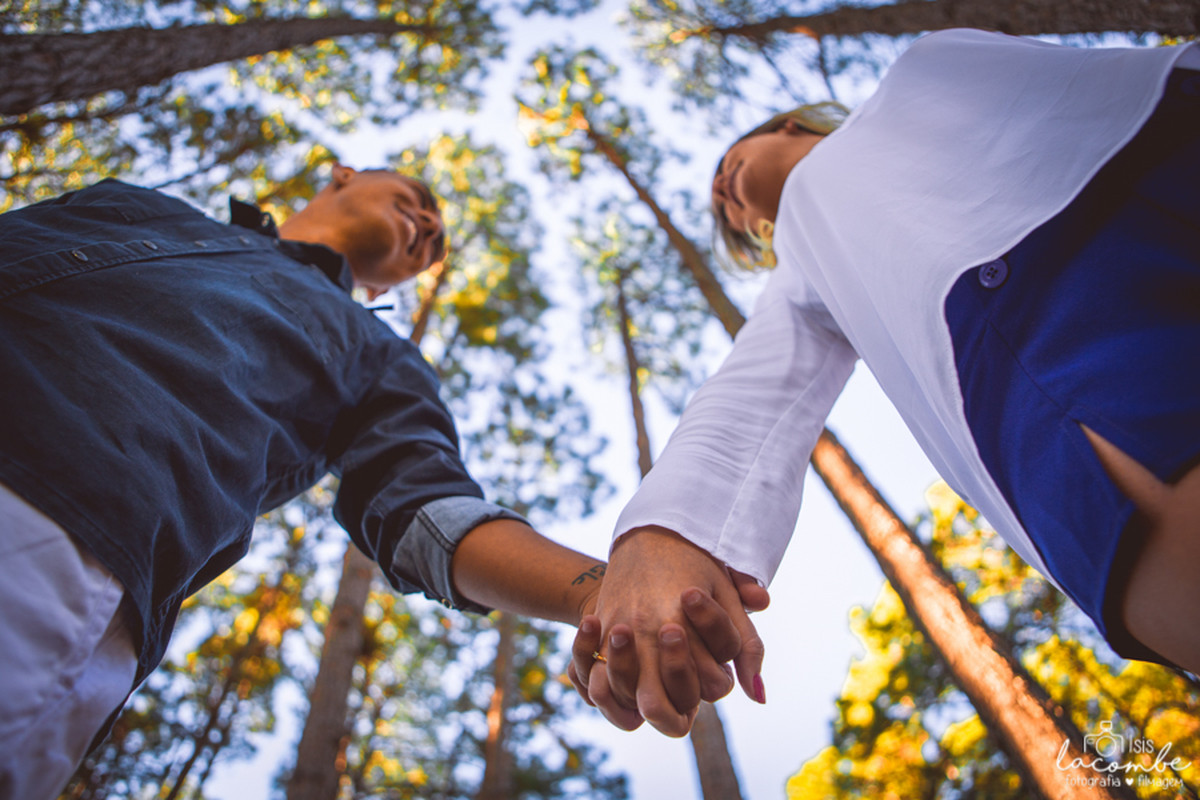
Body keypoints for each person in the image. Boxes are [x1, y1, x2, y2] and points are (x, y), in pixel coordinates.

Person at [0, 165, 741, 798]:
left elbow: (425, 512)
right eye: (417, 196)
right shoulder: (140, 204)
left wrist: (601, 593)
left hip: (56, 529)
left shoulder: (380, 360)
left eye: (437, 235)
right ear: (342, 176)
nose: (427, 221)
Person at [571, 28, 1200, 736]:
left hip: (1163, 137)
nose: (723, 196)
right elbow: (750, 396)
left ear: (787, 125)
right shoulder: (806, 258)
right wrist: (663, 535)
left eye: (728, 167)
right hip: (1044, 355)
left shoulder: (926, 63)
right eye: (731, 217)